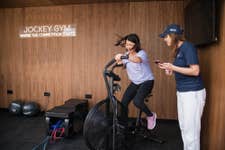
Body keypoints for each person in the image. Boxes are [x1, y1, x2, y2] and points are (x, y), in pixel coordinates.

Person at [158, 24, 206, 150]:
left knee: (191, 132)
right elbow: (183, 69)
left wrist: (172, 67)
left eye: (166, 36)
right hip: (182, 92)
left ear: (173, 35)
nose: (164, 39)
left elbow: (195, 71)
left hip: (192, 92)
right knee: (184, 127)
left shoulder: (188, 47)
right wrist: (170, 70)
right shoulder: (178, 49)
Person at [114, 33, 156, 130]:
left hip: (147, 81)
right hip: (135, 82)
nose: (128, 47)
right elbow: (121, 63)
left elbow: (137, 60)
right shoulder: (126, 55)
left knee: (137, 101)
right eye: (127, 44)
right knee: (124, 103)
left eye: (130, 45)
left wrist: (123, 57)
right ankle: (123, 126)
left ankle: (150, 116)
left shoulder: (141, 53)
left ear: (136, 45)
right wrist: (117, 60)